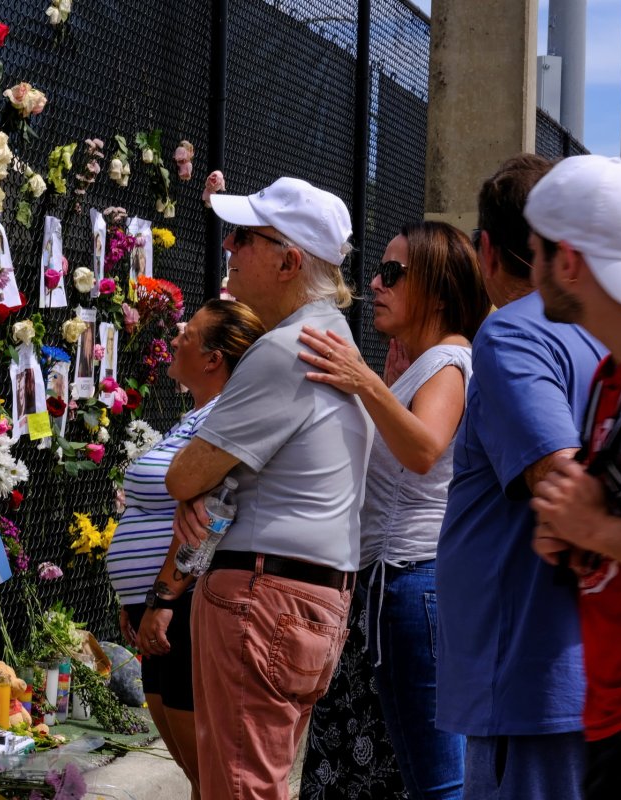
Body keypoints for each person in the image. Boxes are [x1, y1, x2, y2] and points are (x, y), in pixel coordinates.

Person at [144, 176, 374, 800]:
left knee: (239, 789)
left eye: (245, 237)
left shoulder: (285, 349)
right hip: (306, 597)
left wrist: (197, 497)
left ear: (289, 260)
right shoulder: (329, 340)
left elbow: (184, 474)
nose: (230, 248)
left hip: (262, 597)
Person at [299, 221, 490, 800]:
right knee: (385, 774)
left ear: (435, 288)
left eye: (393, 273)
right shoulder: (425, 365)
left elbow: (425, 450)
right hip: (394, 588)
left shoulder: (451, 361)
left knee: (434, 782)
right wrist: (383, 386)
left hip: (410, 585)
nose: (376, 284)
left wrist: (365, 384)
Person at [435, 153, 605, 800]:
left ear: (487, 250)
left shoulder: (514, 336)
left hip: (534, 684)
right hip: (577, 676)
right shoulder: (611, 336)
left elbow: (561, 481)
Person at [523, 155, 621, 800]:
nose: (531, 270)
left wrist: (596, 528)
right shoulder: (617, 374)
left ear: (569, 261)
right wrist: (579, 539)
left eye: (535, 252)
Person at [112, 299, 264, 797]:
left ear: (213, 359)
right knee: (198, 774)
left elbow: (210, 520)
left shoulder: (222, 420)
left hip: (181, 608)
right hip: (157, 608)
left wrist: (163, 599)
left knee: (213, 775)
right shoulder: (194, 418)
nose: (176, 337)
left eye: (189, 333)